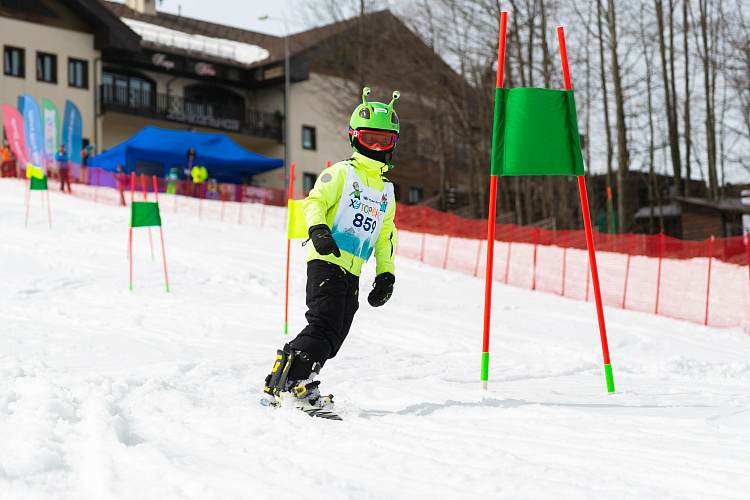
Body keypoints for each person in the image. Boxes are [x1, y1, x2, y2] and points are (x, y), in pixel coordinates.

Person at [263, 87, 400, 409]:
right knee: (323, 322)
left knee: (337, 331)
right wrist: (319, 230)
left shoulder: (387, 190)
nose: (377, 147)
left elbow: (385, 234)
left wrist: (386, 274)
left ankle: (291, 381)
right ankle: (292, 385)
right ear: (355, 137)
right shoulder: (342, 172)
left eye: (385, 141)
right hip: (326, 260)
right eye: (370, 139)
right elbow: (315, 202)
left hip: (353, 267)